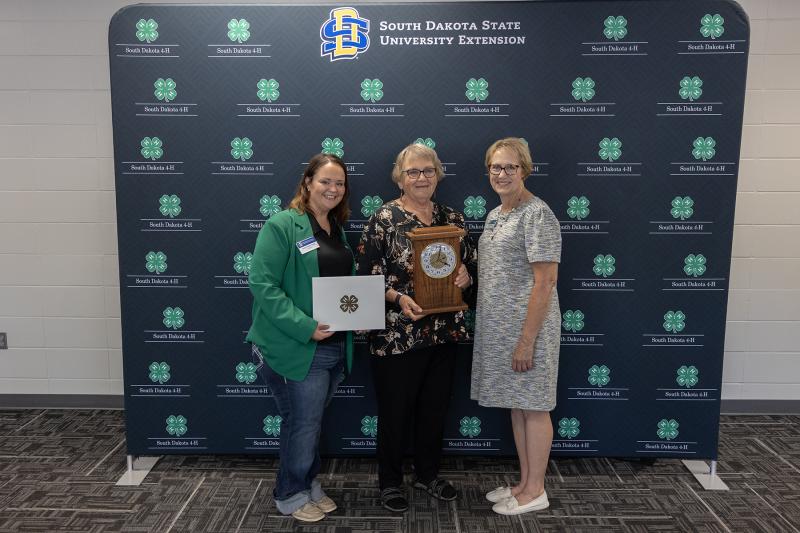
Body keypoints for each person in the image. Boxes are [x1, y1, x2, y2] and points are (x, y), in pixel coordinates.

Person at [356, 143, 478, 512]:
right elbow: (365, 278)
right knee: (394, 412)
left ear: (438, 174)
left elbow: (471, 267)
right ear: (400, 177)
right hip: (397, 335)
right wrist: (396, 298)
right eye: (413, 172)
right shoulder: (384, 219)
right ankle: (390, 482)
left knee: (434, 409)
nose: (421, 177)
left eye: (428, 170)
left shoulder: (453, 219)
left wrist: (465, 276)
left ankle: (428, 474)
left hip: (444, 333)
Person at [246, 153, 354, 523]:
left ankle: (307, 484)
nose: (333, 189)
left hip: (334, 346)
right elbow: (262, 284)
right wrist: (304, 326)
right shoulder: (282, 225)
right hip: (296, 345)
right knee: (303, 422)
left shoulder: (335, 230)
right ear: (307, 182)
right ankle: (290, 493)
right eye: (325, 181)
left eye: (339, 183)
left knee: (308, 423)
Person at [471, 138, 562, 515]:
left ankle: (536, 490)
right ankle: (524, 482)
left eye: (510, 167)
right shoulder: (495, 215)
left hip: (529, 331)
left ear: (524, 170)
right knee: (517, 406)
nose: (502, 174)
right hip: (498, 331)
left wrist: (527, 341)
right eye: (495, 166)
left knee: (535, 408)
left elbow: (546, 282)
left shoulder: (537, 214)